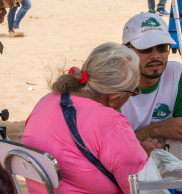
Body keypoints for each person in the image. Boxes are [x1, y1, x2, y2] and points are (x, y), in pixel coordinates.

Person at [22, 42, 161, 193]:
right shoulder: (110, 122)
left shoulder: (46, 101)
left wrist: (135, 153)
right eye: (133, 91)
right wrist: (143, 159)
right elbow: (141, 188)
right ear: (114, 98)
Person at [121, 12, 182, 143]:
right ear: (126, 51)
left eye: (162, 47)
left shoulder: (177, 74)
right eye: (145, 48)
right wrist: (156, 130)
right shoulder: (114, 83)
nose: (155, 55)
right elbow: (110, 147)